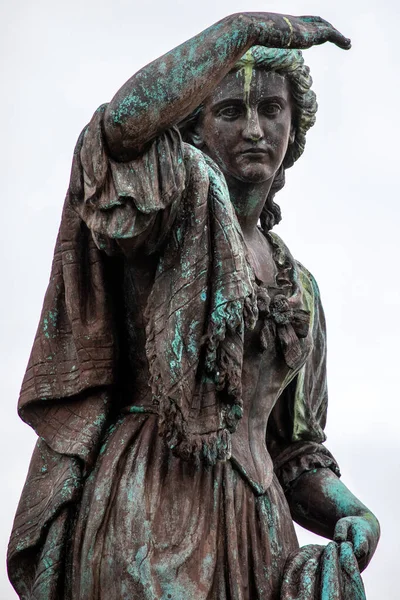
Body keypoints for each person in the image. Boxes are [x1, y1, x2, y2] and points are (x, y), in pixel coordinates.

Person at [8, 12, 380, 600]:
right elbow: (119, 130)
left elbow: (297, 454)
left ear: (295, 127)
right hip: (151, 509)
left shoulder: (300, 289)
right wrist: (243, 30)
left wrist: (355, 515)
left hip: (261, 530)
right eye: (231, 110)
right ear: (197, 129)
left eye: (271, 110)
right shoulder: (164, 212)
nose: (255, 128)